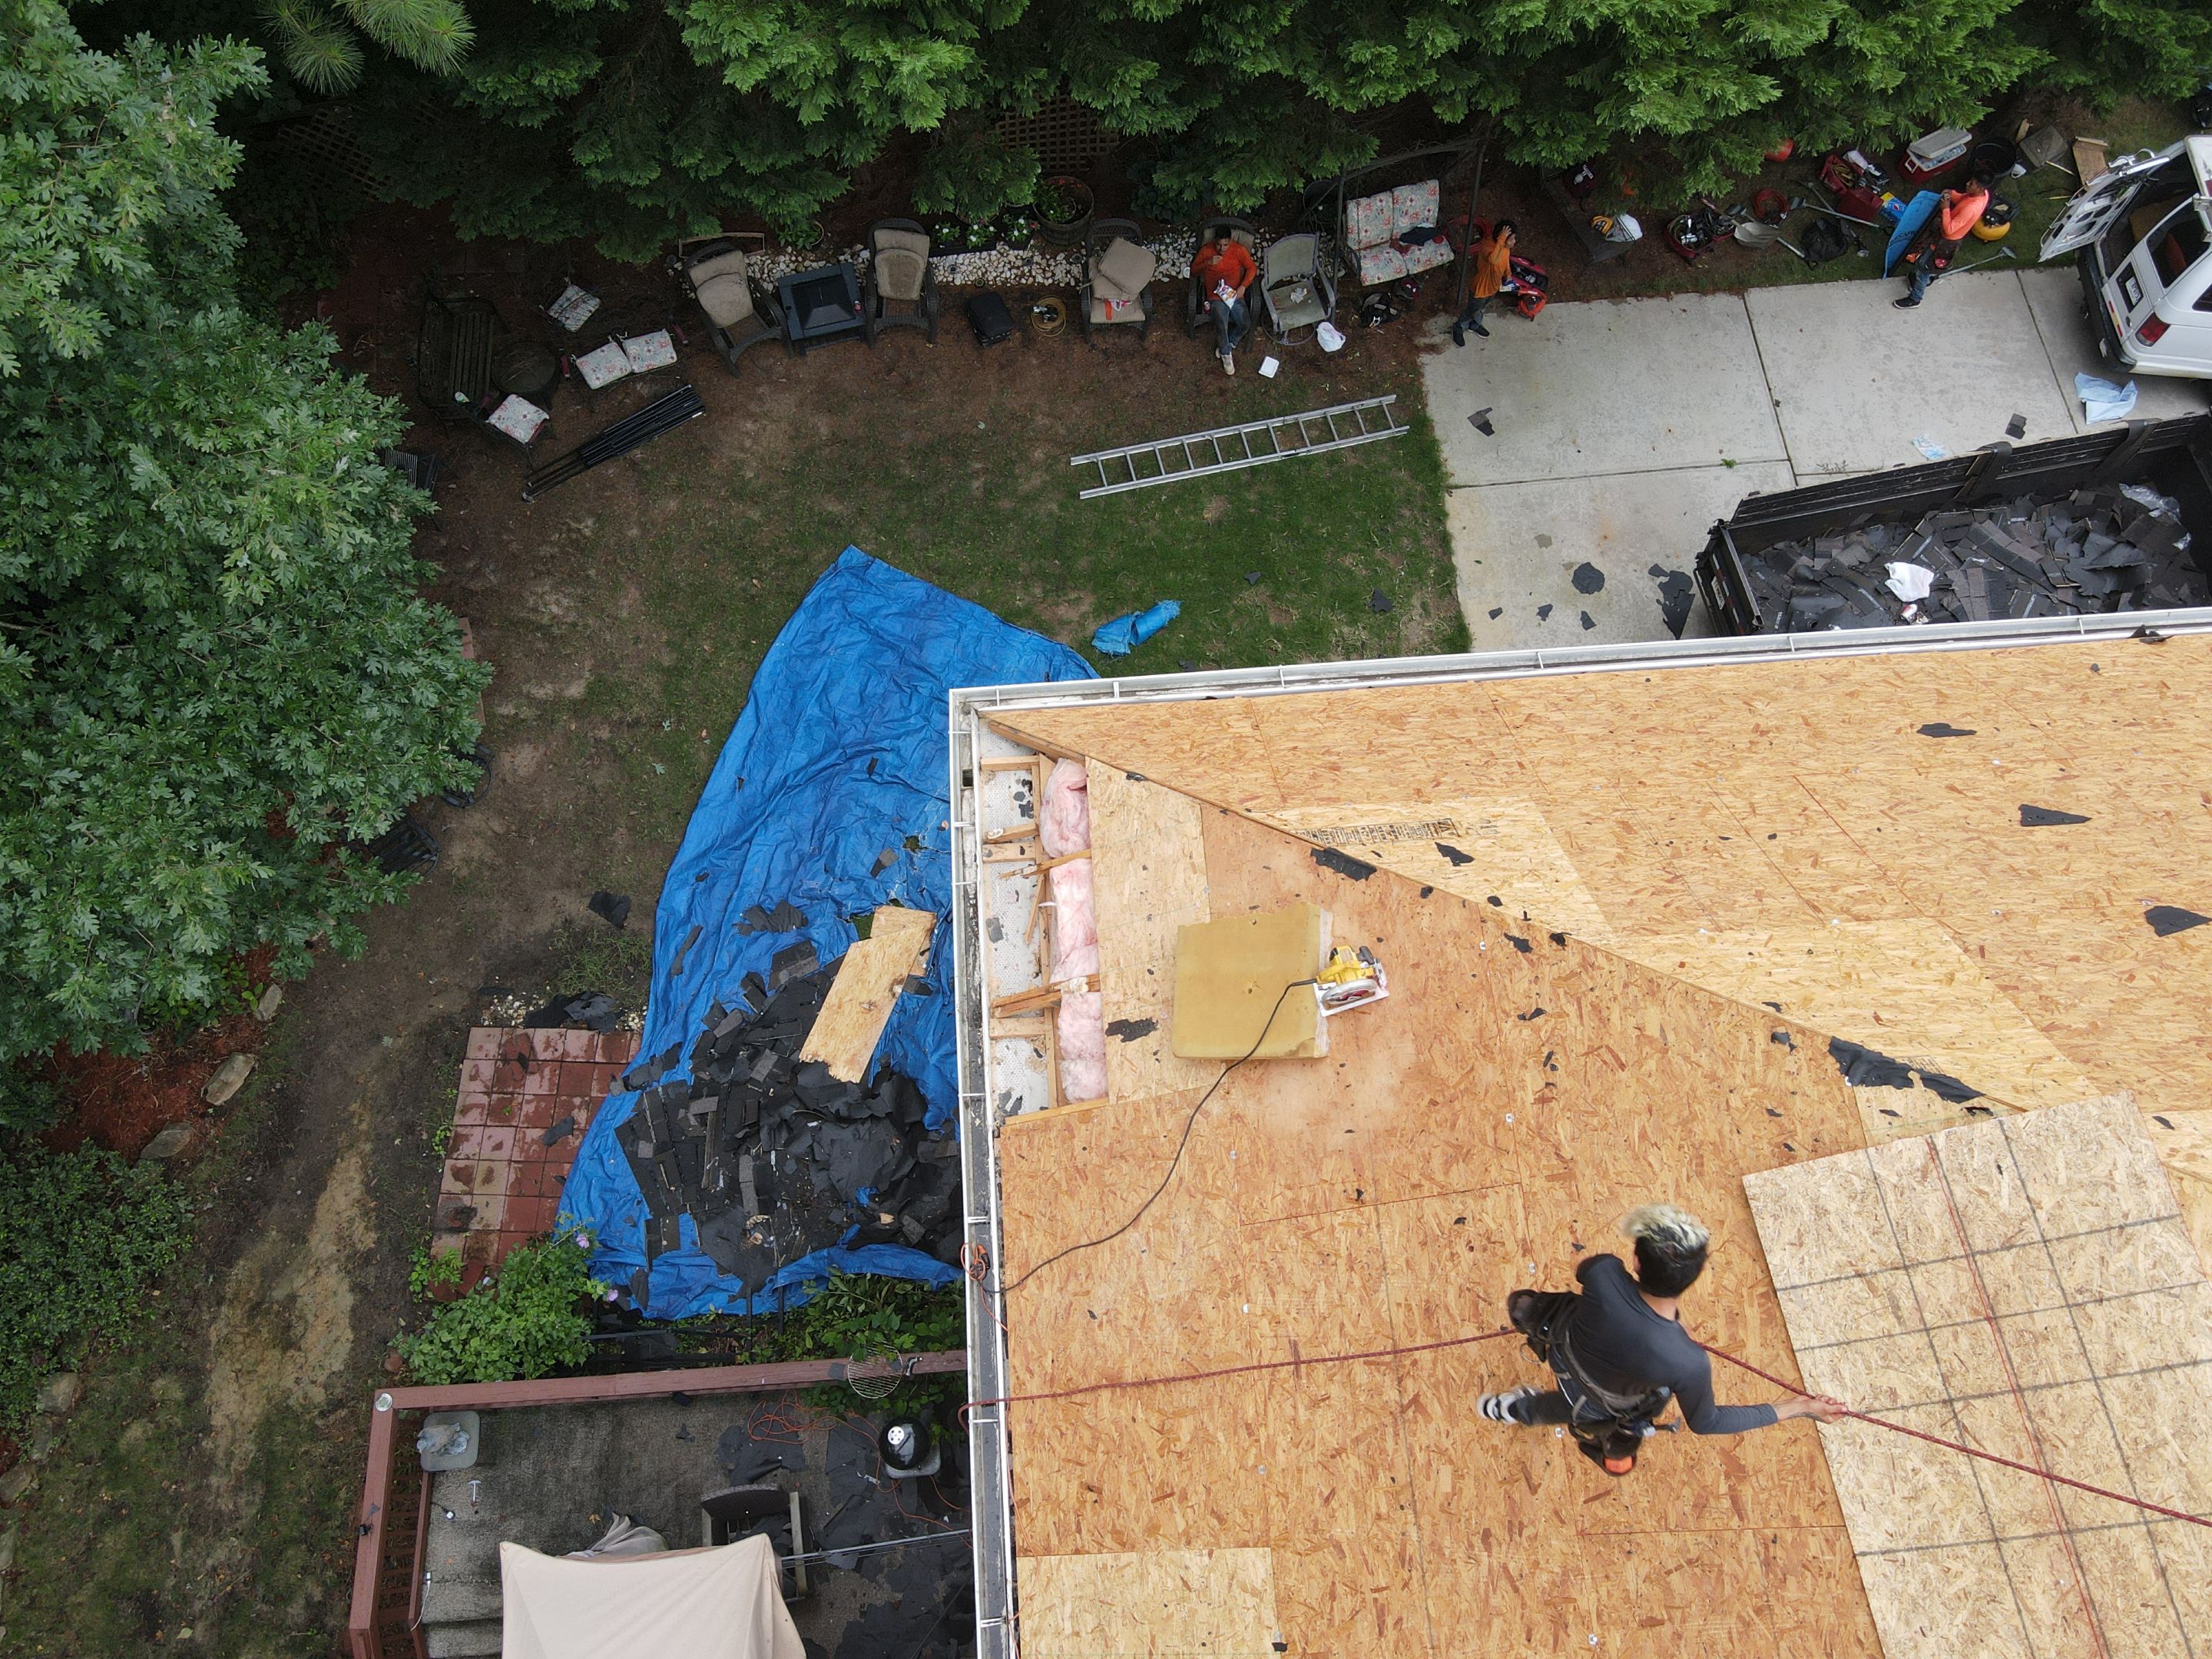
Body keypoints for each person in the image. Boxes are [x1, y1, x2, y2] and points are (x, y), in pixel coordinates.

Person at [1479, 1204, 1846, 1474]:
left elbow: (1587, 1272)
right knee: (1602, 1432)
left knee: (1549, 1350)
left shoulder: (1605, 1273)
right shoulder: (1686, 1362)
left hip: (1564, 1355)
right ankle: (1532, 1419)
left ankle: (1506, 1409)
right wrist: (1801, 1408)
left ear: (1636, 1263)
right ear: (1692, 1278)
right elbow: (1707, 1422)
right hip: (1600, 1404)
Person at [1895, 169, 1993, 309]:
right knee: (1923, 263)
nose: (1967, 184)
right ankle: (1918, 279)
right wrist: (1952, 195)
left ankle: (1915, 298)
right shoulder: (1982, 195)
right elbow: (1963, 199)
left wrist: (1946, 209)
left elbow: (1949, 229)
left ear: (1980, 188)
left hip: (1946, 242)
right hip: (1944, 237)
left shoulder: (1971, 209)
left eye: (1972, 183)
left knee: (1924, 266)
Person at [1190, 228, 1257, 374]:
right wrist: (1208, 262)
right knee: (1221, 324)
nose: (1222, 249)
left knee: (1245, 323)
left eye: (1225, 245)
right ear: (1215, 242)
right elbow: (1193, 271)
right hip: (1216, 296)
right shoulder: (1207, 250)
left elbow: (1252, 268)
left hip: (1233, 294)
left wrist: (1243, 286)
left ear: (1230, 242)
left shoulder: (1238, 250)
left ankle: (1230, 342)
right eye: (1219, 245)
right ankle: (1226, 353)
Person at [1452, 220, 1516, 346]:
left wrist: (1508, 274)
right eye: (1512, 239)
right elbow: (1493, 260)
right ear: (1501, 238)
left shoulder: (1504, 248)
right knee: (1472, 310)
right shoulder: (1488, 247)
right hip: (1480, 289)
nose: (1514, 242)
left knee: (1481, 309)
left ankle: (1474, 325)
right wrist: (1502, 239)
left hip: (1493, 288)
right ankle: (1458, 327)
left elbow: (1505, 260)